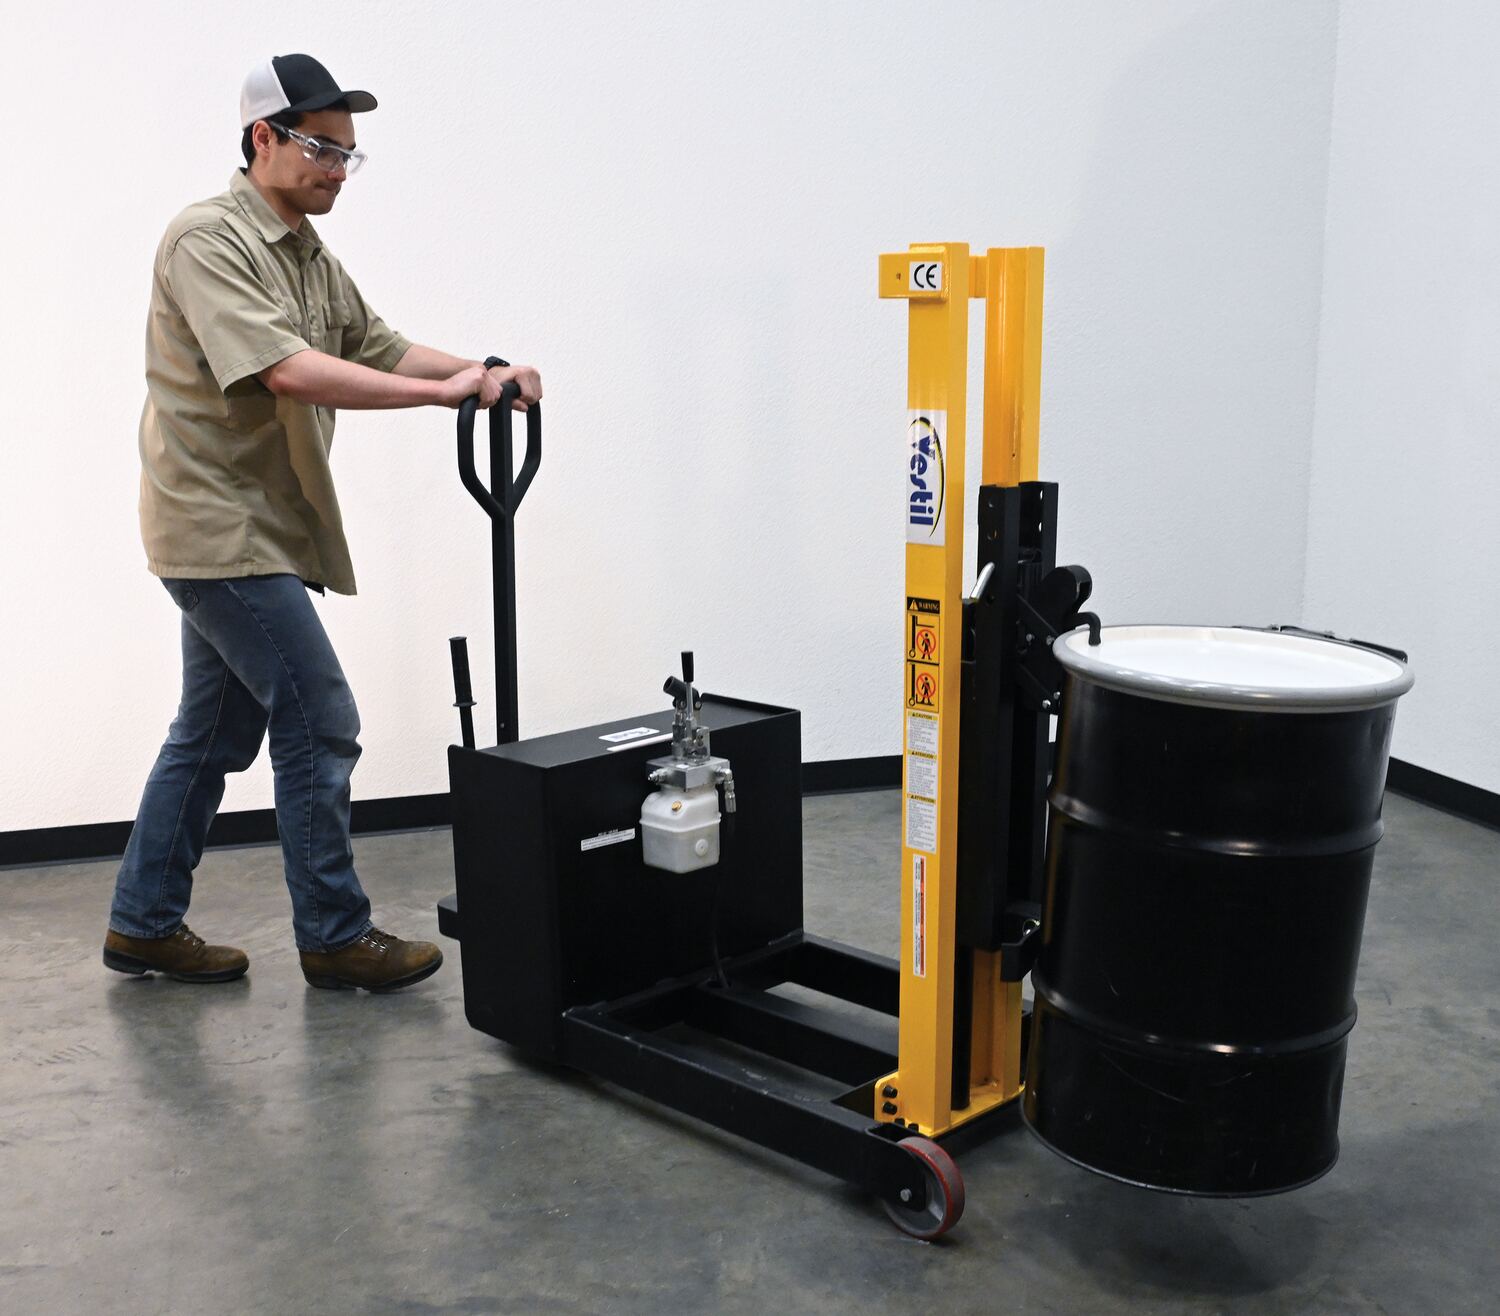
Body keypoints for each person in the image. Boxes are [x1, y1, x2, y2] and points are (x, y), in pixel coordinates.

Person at [104, 53, 541, 991]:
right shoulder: (206, 239)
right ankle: (335, 937)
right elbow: (287, 370)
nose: (339, 169)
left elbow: (375, 344)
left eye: (348, 154)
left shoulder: (304, 250)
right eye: (321, 149)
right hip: (216, 525)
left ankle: (142, 924)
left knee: (212, 734)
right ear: (262, 137)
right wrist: (442, 397)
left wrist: (483, 373)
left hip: (262, 521)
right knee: (320, 714)